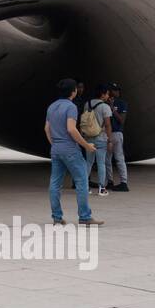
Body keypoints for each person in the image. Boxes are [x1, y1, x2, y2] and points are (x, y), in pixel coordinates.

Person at [45, 79, 103, 226]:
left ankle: (57, 217)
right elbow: (71, 129)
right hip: (70, 149)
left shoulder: (52, 107)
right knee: (82, 181)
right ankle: (84, 217)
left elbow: (47, 129)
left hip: (56, 149)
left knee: (55, 183)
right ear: (73, 91)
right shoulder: (71, 107)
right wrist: (86, 145)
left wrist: (55, 144)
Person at [81, 85, 113, 196]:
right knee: (101, 163)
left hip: (88, 138)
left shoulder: (87, 104)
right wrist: (110, 140)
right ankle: (101, 188)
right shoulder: (105, 107)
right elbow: (108, 125)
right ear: (102, 94)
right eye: (107, 93)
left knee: (88, 162)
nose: (108, 96)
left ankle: (84, 187)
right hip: (101, 138)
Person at [107, 83, 130, 191]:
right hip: (107, 133)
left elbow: (122, 120)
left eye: (117, 90)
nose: (116, 92)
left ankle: (123, 182)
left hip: (116, 133)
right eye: (114, 90)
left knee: (119, 158)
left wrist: (113, 109)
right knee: (107, 159)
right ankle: (109, 181)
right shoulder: (104, 102)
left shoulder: (122, 103)